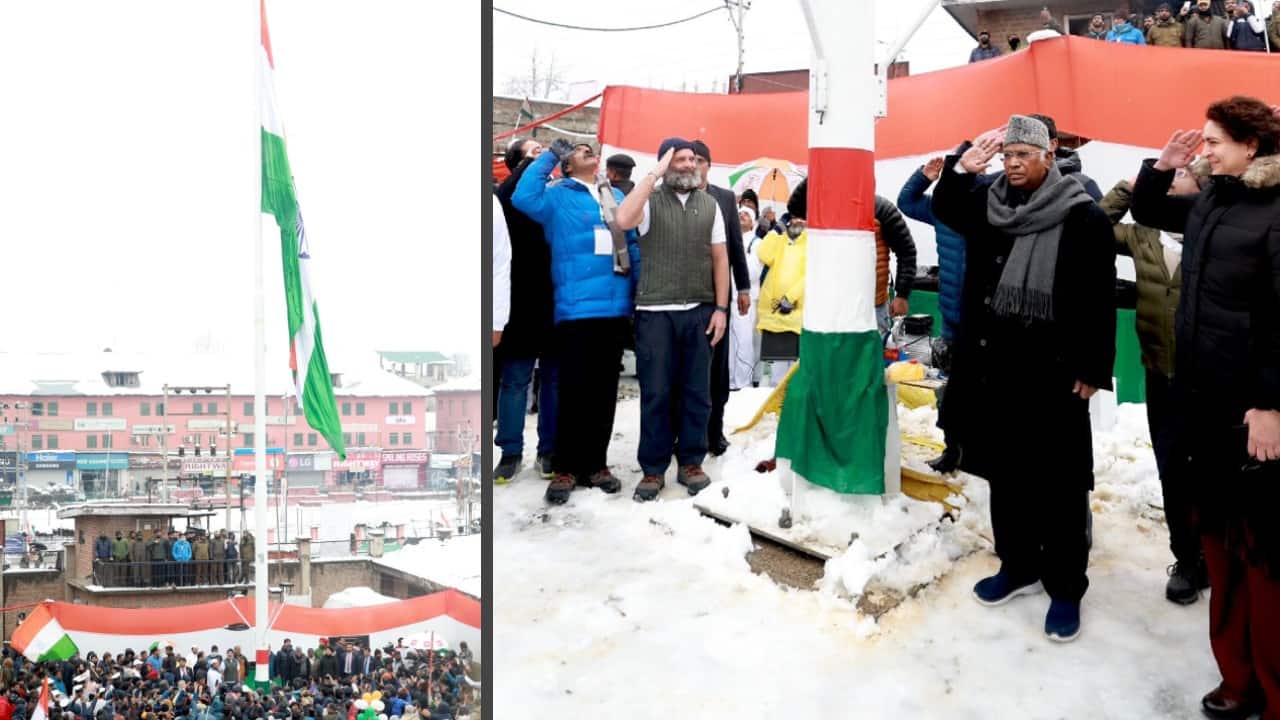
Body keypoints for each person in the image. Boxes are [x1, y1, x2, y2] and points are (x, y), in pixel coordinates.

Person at [931, 114, 1116, 643]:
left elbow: (1099, 300)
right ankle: (1017, 565)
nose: (1011, 164)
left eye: (1022, 156)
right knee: (1006, 476)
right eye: (1006, 155)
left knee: (1057, 485)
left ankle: (1064, 587)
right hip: (993, 369)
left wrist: (1090, 368)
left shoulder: (1082, 217)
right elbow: (946, 207)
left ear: (1047, 157)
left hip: (1053, 373)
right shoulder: (989, 205)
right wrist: (960, 167)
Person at [1131, 95, 1280, 720]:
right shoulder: (1215, 198)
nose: (1206, 147)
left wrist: (1271, 404)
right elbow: (1147, 210)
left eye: (1216, 140)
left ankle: (1273, 693)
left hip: (1254, 417)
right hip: (1204, 404)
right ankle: (1236, 677)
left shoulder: (1275, 212)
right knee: (1218, 544)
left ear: (1252, 146)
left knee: (1266, 562)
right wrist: (1162, 165)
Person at [1098, 168, 1209, 605]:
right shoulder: (1143, 234)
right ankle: (1187, 558)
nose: (1171, 180)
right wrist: (1127, 186)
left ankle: (1221, 557)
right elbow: (1094, 226)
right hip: (1160, 373)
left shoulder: (1212, 232)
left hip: (1211, 380)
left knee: (1213, 472)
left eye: (1181, 175)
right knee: (1172, 470)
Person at [512, 139, 640, 504]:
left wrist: (638, 290)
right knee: (572, 390)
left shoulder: (612, 193)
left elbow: (630, 242)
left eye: (590, 149)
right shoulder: (555, 196)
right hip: (575, 308)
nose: (588, 150)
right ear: (567, 165)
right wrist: (551, 154)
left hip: (614, 308)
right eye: (579, 150)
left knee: (603, 392)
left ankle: (596, 464)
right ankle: (566, 467)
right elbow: (522, 197)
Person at [613, 137, 729, 502]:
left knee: (697, 392)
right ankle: (652, 468)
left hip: (699, 311)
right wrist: (654, 174)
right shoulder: (649, 202)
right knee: (657, 393)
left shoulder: (709, 205)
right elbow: (622, 219)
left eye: (692, 159)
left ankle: (691, 461)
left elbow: (720, 259)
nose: (688, 164)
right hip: (655, 311)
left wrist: (721, 309)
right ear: (665, 163)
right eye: (679, 159)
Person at [493, 140, 558, 485]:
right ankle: (510, 452)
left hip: (554, 299)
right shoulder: (507, 199)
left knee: (552, 379)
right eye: (533, 150)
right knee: (516, 380)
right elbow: (506, 195)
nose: (543, 152)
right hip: (519, 301)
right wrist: (530, 164)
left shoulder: (552, 195)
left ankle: (548, 449)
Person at [897, 156, 967, 472]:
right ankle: (953, 450)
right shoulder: (941, 210)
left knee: (985, 394)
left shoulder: (987, 208)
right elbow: (906, 202)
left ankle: (981, 455)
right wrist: (923, 176)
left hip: (984, 319)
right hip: (952, 317)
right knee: (951, 395)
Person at [690, 140, 751, 457]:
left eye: (700, 159)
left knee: (717, 370)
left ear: (709, 165)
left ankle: (715, 430)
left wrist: (742, 286)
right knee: (689, 369)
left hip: (719, 295)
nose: (695, 164)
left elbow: (735, 245)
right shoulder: (675, 194)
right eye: (690, 159)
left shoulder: (724, 198)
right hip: (687, 292)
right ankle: (686, 433)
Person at [756, 187, 809, 387]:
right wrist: (775, 231)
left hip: (797, 311)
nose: (796, 222)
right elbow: (763, 255)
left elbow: (810, 274)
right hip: (775, 312)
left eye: (801, 218)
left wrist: (791, 297)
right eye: (793, 218)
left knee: (795, 370)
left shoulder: (812, 241)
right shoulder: (780, 239)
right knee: (777, 371)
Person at [729, 205, 765, 390]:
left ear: (753, 222)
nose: (742, 216)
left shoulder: (756, 243)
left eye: (747, 215)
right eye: (740, 213)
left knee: (744, 342)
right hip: (729, 297)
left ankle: (744, 381)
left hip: (746, 298)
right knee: (731, 342)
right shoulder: (731, 239)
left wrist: (738, 258)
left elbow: (752, 272)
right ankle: (731, 379)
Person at [871, 195, 917, 336]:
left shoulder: (881, 208)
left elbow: (906, 251)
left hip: (874, 307)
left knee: (876, 354)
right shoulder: (820, 207)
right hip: (832, 308)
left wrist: (902, 294)